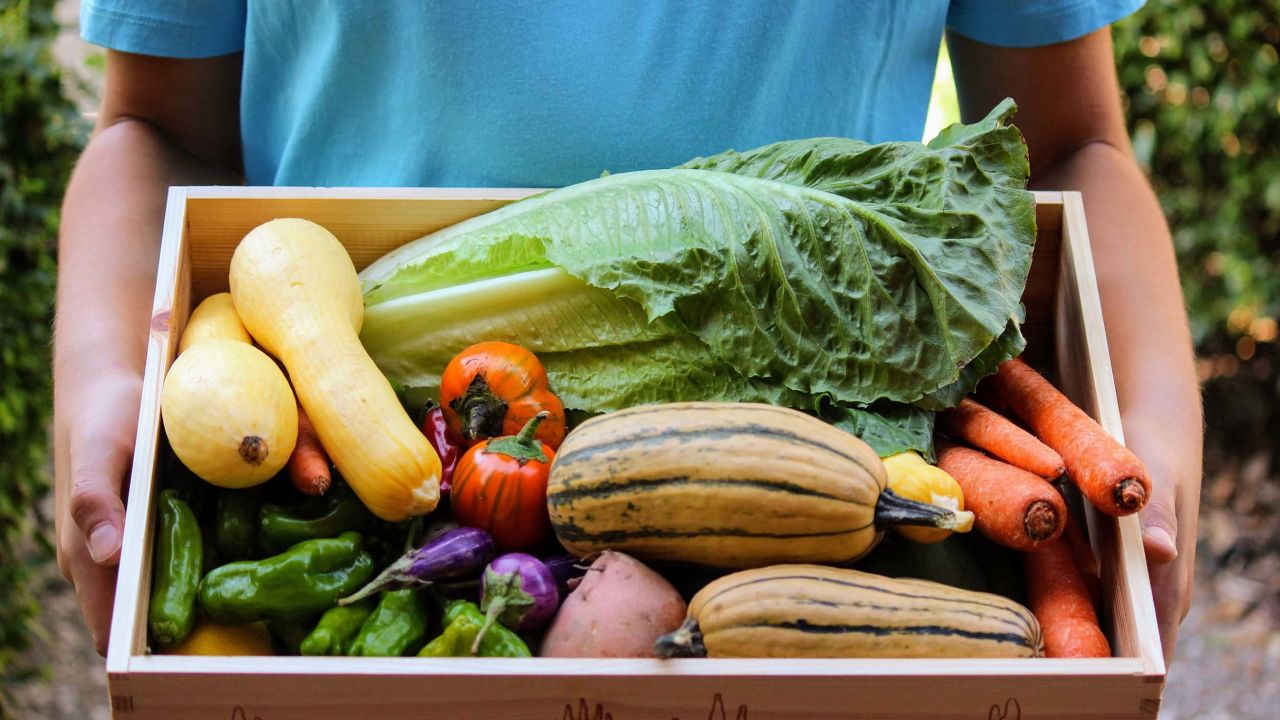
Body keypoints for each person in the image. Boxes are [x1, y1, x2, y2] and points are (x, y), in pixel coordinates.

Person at [57, 1, 1201, 664]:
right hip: (340, 453)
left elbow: (1064, 151)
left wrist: (1149, 415)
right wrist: (110, 372)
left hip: (808, 509)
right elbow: (156, 126)